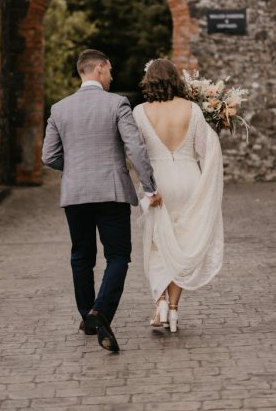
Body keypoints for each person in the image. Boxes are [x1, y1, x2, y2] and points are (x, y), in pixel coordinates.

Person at [42, 49, 162, 352]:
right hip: (111, 191)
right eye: (109, 71)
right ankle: (100, 312)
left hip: (75, 193)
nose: (112, 76)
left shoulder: (59, 109)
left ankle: (87, 316)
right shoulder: (117, 103)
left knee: (81, 255)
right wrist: (150, 187)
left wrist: (75, 171)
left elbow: (49, 156)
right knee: (118, 255)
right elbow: (134, 149)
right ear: (97, 69)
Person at [133, 59, 223, 333]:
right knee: (182, 245)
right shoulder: (193, 110)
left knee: (158, 244)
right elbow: (202, 149)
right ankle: (173, 309)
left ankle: (159, 302)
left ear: (149, 82)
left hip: (157, 183)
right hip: (188, 179)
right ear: (176, 80)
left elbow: (137, 154)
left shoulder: (139, 112)